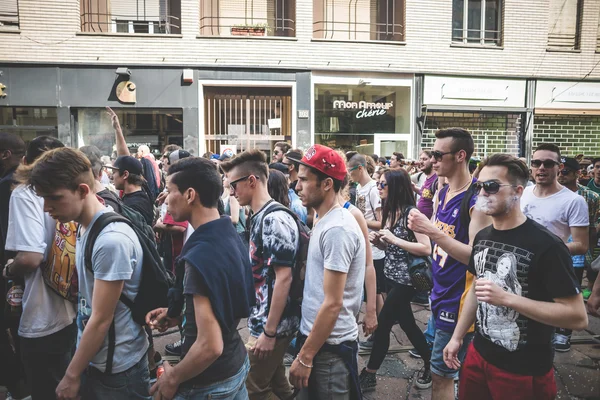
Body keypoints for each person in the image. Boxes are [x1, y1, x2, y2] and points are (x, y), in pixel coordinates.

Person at [443, 154, 588, 400]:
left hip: (523, 368)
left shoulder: (547, 245)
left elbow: (577, 317)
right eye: (479, 186)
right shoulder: (483, 237)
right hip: (478, 354)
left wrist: (507, 298)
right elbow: (478, 291)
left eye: (492, 186)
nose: (483, 193)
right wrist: (457, 337)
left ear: (518, 191)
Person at [25, 148, 149, 400]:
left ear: (82, 190)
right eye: (43, 199)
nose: (47, 208)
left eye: (54, 198)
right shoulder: (83, 227)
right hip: (99, 361)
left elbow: (101, 319)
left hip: (118, 371)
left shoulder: (110, 240)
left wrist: (71, 375)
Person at [145, 157, 254, 399]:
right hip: (234, 365)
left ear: (190, 194)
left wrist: (173, 377)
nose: (164, 197)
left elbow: (210, 346)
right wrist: (178, 313)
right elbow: (221, 302)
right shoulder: (226, 231)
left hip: (209, 384)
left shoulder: (201, 255)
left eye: (170, 190)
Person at [408, 128, 492, 400]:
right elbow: (438, 243)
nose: (432, 160)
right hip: (440, 292)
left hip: (459, 301)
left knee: (441, 375)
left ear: (460, 155)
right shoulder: (443, 191)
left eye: (437, 154)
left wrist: (431, 231)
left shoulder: (476, 201)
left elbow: (476, 258)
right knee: (450, 371)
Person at [287, 144, 365, 400]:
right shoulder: (324, 218)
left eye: (304, 180)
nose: (297, 186)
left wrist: (306, 356)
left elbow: (333, 303)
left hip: (329, 348)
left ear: (327, 184)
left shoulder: (337, 229)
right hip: (317, 340)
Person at [220, 150, 300, 400]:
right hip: (267, 322)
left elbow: (284, 278)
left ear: (251, 181)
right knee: (278, 385)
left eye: (234, 185)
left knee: (252, 389)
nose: (232, 193)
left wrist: (269, 332)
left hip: (273, 325)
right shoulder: (261, 216)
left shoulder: (272, 220)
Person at [3, 137, 76, 400]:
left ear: (25, 162)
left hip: (42, 315)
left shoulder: (24, 193)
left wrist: (9, 270)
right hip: (74, 309)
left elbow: (31, 257)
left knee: (47, 388)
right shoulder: (73, 189)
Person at [359, 168, 433, 392]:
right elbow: (392, 245)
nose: (378, 188)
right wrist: (382, 242)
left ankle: (370, 373)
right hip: (391, 277)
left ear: (397, 187)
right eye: (378, 184)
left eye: (383, 184)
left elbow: (426, 248)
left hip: (407, 282)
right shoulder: (391, 211)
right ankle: (431, 363)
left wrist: (394, 239)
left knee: (383, 326)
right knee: (409, 325)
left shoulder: (413, 214)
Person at [520, 144, 589, 352]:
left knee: (541, 329)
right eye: (536, 163)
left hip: (548, 271)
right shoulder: (523, 192)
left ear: (559, 167)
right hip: (518, 268)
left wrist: (545, 253)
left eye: (548, 163)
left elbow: (581, 245)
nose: (541, 167)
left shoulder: (573, 201)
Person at [346, 153, 385, 349]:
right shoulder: (360, 188)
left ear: (359, 169)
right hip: (364, 245)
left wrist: (358, 220)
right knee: (372, 292)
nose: (348, 176)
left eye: (350, 172)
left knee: (375, 293)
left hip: (375, 249)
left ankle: (380, 333)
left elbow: (381, 222)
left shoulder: (373, 189)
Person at [0, 132, 27, 400]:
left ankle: (20, 386)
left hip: (12, 272)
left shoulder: (12, 187)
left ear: (6, 154)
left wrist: (9, 269)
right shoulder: (24, 184)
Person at [557, 157, 599, 295]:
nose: (560, 175)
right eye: (558, 171)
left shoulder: (591, 197)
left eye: (565, 172)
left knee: (573, 290)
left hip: (578, 254)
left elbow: (592, 227)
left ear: (577, 173)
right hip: (554, 250)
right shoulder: (549, 194)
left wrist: (590, 255)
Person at [105, 155, 154, 226]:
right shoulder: (140, 194)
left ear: (125, 174)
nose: (112, 176)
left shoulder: (134, 205)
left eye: (114, 172)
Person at [412, 151, 438, 220]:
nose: (421, 162)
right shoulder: (427, 177)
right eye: (420, 159)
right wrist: (414, 188)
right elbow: (425, 194)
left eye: (424, 159)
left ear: (432, 160)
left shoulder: (437, 180)